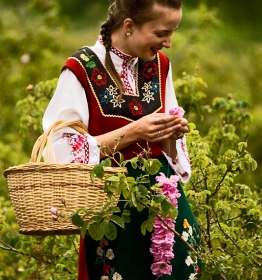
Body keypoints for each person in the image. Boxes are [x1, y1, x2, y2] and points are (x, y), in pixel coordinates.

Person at [43, 0, 201, 279]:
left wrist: (171, 134)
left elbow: (169, 155)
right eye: (161, 33)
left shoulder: (160, 66)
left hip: (166, 207)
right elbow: (60, 149)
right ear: (129, 26)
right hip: (113, 213)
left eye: (173, 32)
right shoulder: (81, 69)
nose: (168, 43)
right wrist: (135, 132)